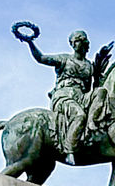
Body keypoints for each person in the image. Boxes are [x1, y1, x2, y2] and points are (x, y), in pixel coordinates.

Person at [16, 23, 106, 157]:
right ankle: (69, 149)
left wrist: (98, 73)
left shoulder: (88, 66)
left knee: (101, 92)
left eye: (81, 41)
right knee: (79, 115)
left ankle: (92, 123)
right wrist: (30, 42)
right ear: (72, 45)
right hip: (64, 96)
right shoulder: (64, 59)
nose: (78, 44)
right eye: (76, 41)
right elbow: (41, 58)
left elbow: (92, 88)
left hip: (81, 97)